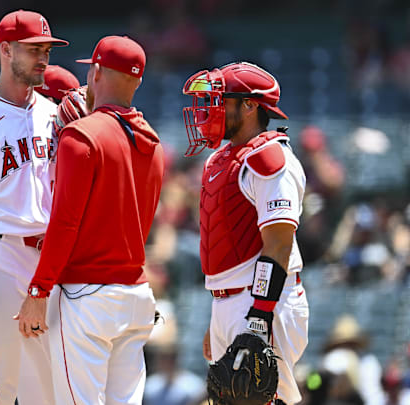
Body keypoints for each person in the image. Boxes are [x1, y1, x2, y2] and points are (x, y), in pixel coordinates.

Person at [16, 35, 164, 405]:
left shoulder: (81, 135)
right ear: (138, 81)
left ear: (96, 72)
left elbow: (65, 223)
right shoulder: (154, 140)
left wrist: (38, 290)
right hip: (136, 294)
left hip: (89, 295)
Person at [0, 9, 68, 405]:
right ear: (5, 50)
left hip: (48, 260)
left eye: (47, 50)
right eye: (33, 49)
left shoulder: (54, 113)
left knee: (49, 385)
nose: (43, 58)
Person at [181, 61, 309, 404]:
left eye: (220, 100)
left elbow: (279, 244)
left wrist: (258, 315)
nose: (210, 110)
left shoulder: (269, 158)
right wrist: (219, 313)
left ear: (250, 105)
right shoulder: (221, 159)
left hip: (263, 300)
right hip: (230, 301)